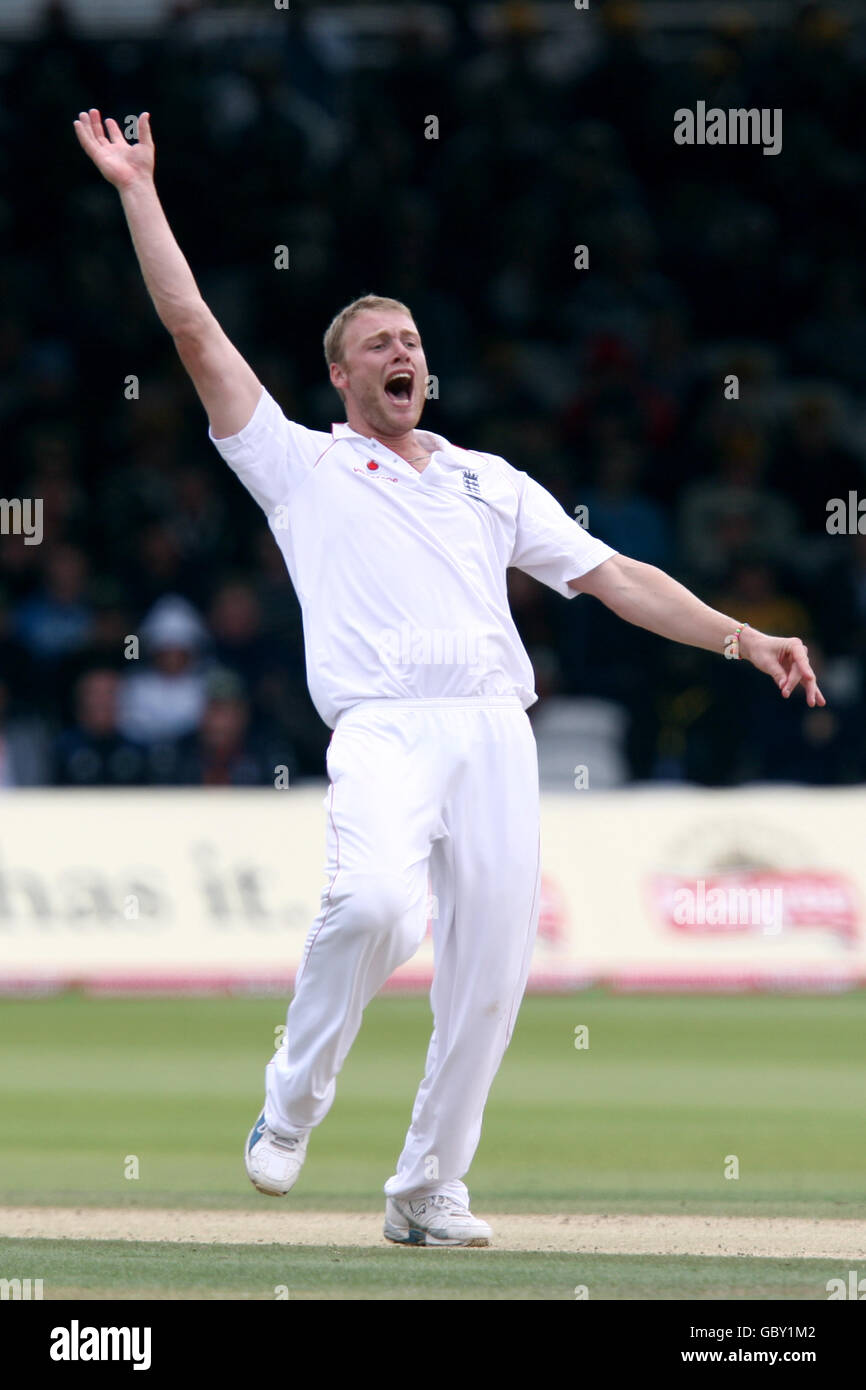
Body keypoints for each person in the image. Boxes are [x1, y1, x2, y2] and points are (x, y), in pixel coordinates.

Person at [74, 109, 825, 1247]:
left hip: (492, 730)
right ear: (339, 376)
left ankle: (426, 1189)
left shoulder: (487, 479)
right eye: (377, 343)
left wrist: (742, 638)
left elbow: (616, 576)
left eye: (411, 339)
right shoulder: (303, 466)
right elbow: (189, 328)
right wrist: (137, 189)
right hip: (382, 725)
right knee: (374, 905)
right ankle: (291, 1102)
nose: (401, 353)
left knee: (488, 975)